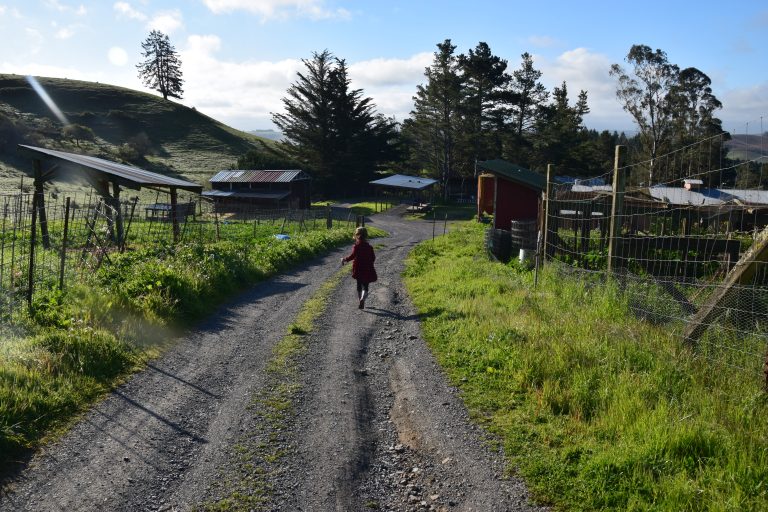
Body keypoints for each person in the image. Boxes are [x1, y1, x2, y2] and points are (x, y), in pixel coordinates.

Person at [341, 226, 377, 309]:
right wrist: (369, 263)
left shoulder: (356, 247)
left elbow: (352, 256)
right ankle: (363, 299)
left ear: (357, 235)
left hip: (358, 268)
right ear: (366, 235)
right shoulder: (369, 247)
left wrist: (344, 259)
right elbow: (373, 258)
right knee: (366, 286)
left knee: (359, 285)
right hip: (367, 268)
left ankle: (359, 300)